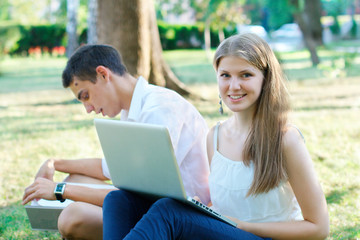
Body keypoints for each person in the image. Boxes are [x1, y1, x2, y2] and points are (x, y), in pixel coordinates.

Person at [102, 33, 330, 240]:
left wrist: (246, 227)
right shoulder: (215, 136)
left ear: (265, 79)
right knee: (118, 200)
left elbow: (318, 228)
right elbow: (228, 203)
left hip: (263, 237)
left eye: (246, 75)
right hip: (228, 233)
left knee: (168, 211)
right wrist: (204, 208)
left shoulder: (285, 140)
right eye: (225, 75)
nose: (234, 85)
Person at [22, 44, 210, 240]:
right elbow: (109, 168)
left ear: (103, 74)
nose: (88, 108)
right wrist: (55, 164)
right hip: (152, 206)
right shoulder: (133, 110)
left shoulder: (159, 109)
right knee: (74, 178)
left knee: (72, 216)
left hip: (179, 219)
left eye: (86, 96)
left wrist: (60, 190)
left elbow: (141, 196)